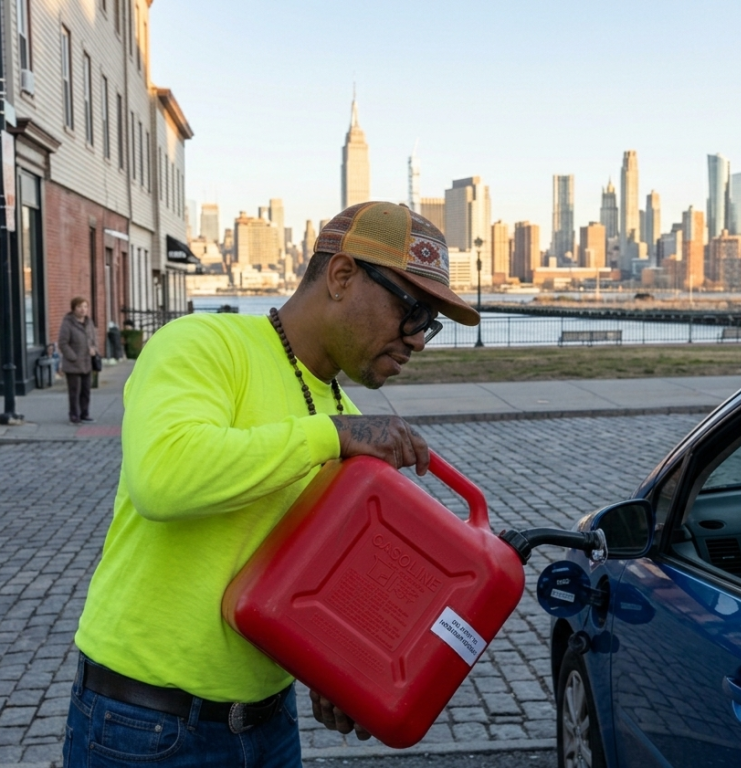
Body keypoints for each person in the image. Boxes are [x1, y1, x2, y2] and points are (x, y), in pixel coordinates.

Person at [63, 202, 480, 767]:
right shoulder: (205, 345)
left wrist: (332, 672)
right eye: (413, 312)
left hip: (270, 726)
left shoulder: (345, 420)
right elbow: (163, 478)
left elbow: (318, 579)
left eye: (429, 323)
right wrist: (330, 434)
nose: (420, 340)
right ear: (341, 276)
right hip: (144, 726)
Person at [57, 297, 97, 424]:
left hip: (86, 362)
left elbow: (93, 339)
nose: (82, 310)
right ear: (73, 308)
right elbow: (63, 343)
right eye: (79, 307)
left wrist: (94, 349)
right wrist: (73, 356)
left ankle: (85, 413)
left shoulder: (89, 322)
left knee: (86, 390)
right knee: (74, 392)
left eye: (85, 307)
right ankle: (74, 415)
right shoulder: (68, 323)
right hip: (73, 364)